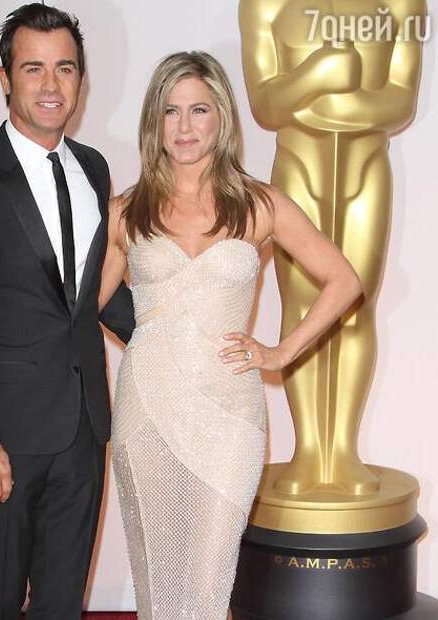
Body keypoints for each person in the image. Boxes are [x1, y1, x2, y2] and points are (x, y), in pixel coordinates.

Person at [99, 51, 362, 619]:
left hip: (230, 414)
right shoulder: (126, 211)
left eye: (199, 109)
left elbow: (343, 279)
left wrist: (280, 353)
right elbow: (82, 306)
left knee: (210, 580)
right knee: (158, 581)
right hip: (148, 408)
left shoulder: (259, 203)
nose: (185, 126)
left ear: (221, 116)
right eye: (171, 111)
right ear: (154, 121)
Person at [0, 4, 134, 619]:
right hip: (3, 438)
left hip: (84, 430)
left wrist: (174, 334)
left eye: (64, 68)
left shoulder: (93, 168)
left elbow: (90, 294)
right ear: (5, 78)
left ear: (80, 79)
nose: (50, 84)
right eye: (32, 68)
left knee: (62, 603)